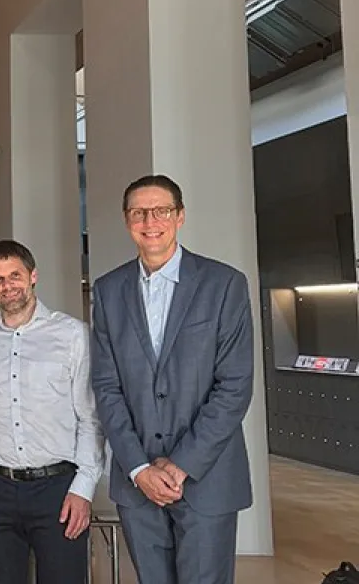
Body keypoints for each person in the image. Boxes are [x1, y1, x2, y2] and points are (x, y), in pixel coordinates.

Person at [90, 175, 254, 584]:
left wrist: (180, 466)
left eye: (161, 210)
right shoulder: (108, 291)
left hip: (207, 478)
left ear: (179, 217)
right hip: (137, 481)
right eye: (139, 213)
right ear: (127, 221)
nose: (151, 221)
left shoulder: (224, 285)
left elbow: (234, 386)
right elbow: (107, 388)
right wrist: (139, 468)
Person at [0, 240, 104, 584]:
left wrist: (83, 488)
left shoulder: (73, 335)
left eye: (15, 275)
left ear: (33, 275)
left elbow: (91, 418)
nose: (8, 286)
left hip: (57, 488)